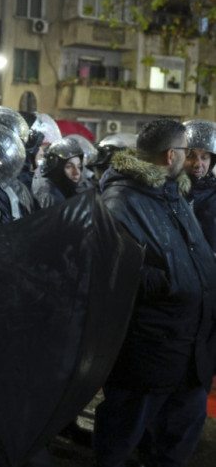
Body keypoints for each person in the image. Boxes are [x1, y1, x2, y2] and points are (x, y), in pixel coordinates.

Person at [95, 118, 216, 467]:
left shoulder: (172, 192)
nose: (192, 159)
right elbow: (112, 272)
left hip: (188, 353)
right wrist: (175, 282)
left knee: (177, 440)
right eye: (186, 151)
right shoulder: (121, 201)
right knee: (120, 439)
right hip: (147, 358)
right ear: (169, 155)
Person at [184, 119, 216, 253]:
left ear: (212, 161)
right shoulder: (167, 191)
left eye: (204, 157)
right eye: (191, 156)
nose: (198, 164)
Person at [33, 136, 88, 209]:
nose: (77, 172)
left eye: (78, 166)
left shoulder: (78, 191)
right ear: (57, 170)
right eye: (69, 167)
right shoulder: (49, 198)